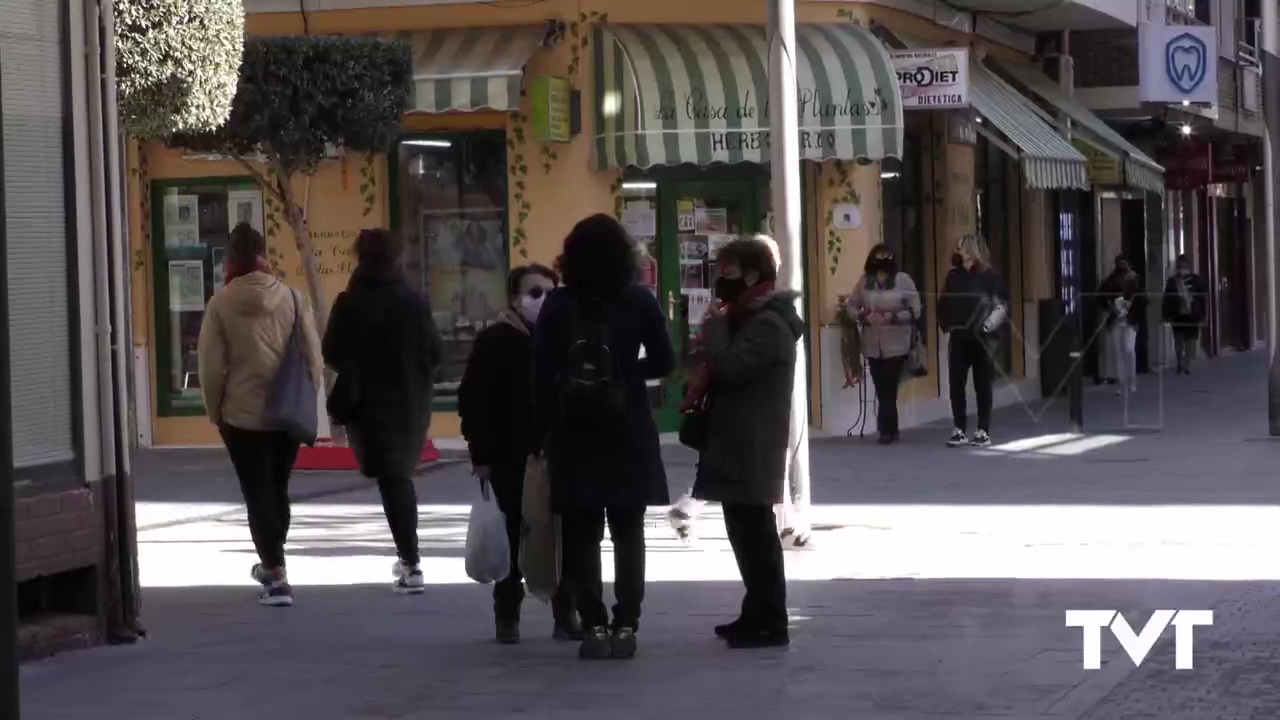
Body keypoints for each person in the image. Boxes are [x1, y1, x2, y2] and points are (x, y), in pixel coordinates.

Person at [533, 214, 675, 660]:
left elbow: (539, 373)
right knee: (629, 532)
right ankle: (627, 623)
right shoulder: (639, 301)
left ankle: (593, 625)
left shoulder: (558, 304)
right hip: (627, 426)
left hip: (574, 431)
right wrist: (627, 372)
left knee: (581, 533)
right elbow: (666, 362)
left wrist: (543, 430)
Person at [681, 235, 803, 649]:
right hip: (738, 436)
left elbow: (732, 368)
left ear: (752, 275)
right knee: (743, 529)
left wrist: (716, 330)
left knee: (756, 533)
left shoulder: (768, 324)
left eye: (728, 273)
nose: (720, 282)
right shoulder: (748, 317)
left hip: (753, 440)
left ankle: (770, 620)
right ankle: (756, 613)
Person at [198, 222, 322, 607]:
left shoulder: (220, 303)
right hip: (285, 412)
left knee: (257, 493)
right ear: (263, 253)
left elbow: (210, 367)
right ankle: (274, 562)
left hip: (242, 415)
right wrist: (307, 395)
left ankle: (276, 573)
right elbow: (313, 357)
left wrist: (215, 411)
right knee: (278, 488)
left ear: (230, 257)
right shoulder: (291, 297)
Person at [458, 263, 581, 644]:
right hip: (510, 454)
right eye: (534, 292)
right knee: (513, 534)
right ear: (514, 298)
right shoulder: (495, 340)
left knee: (561, 534)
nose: (542, 300)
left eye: (549, 291)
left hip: (557, 452)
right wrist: (481, 454)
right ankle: (507, 614)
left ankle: (566, 613)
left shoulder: (564, 339)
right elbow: (474, 401)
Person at [322, 228, 441, 594]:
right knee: (397, 478)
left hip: (369, 404)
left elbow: (332, 352)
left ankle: (411, 563)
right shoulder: (414, 301)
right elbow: (435, 354)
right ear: (397, 256)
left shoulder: (350, 301)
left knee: (394, 481)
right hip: (410, 402)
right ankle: (410, 561)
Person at [937, 234, 1008, 448]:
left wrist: (987, 326)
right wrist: (946, 323)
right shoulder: (954, 276)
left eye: (962, 246)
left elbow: (1001, 306)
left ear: (972, 250)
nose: (958, 249)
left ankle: (983, 430)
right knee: (956, 383)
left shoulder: (990, 277)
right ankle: (959, 428)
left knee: (982, 384)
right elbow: (944, 302)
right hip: (959, 337)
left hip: (982, 338)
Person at [846, 244, 922, 444]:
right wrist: (863, 316)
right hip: (873, 343)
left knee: (889, 385)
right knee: (881, 387)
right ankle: (892, 428)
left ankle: (886, 430)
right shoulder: (864, 282)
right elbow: (852, 306)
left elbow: (916, 310)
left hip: (897, 343)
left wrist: (894, 317)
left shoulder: (903, 280)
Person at [1098, 254, 1145, 395]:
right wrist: (1111, 306)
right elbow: (1100, 297)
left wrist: (1132, 307)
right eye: (1120, 264)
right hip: (1116, 319)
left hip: (1131, 320)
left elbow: (1143, 300)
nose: (1122, 267)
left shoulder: (1136, 281)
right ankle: (1121, 383)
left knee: (1129, 350)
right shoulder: (1110, 281)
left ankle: (1132, 381)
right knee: (1118, 352)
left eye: (1124, 264)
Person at [1162, 255, 1207, 375]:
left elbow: (1202, 298)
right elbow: (1167, 299)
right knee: (1178, 341)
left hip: (1192, 315)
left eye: (1183, 266)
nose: (1181, 268)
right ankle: (1179, 363)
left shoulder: (1196, 280)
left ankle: (1187, 364)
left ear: (1187, 266)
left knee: (1190, 341)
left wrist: (1202, 314)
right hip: (1177, 315)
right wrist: (1166, 314)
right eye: (1179, 266)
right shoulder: (1172, 282)